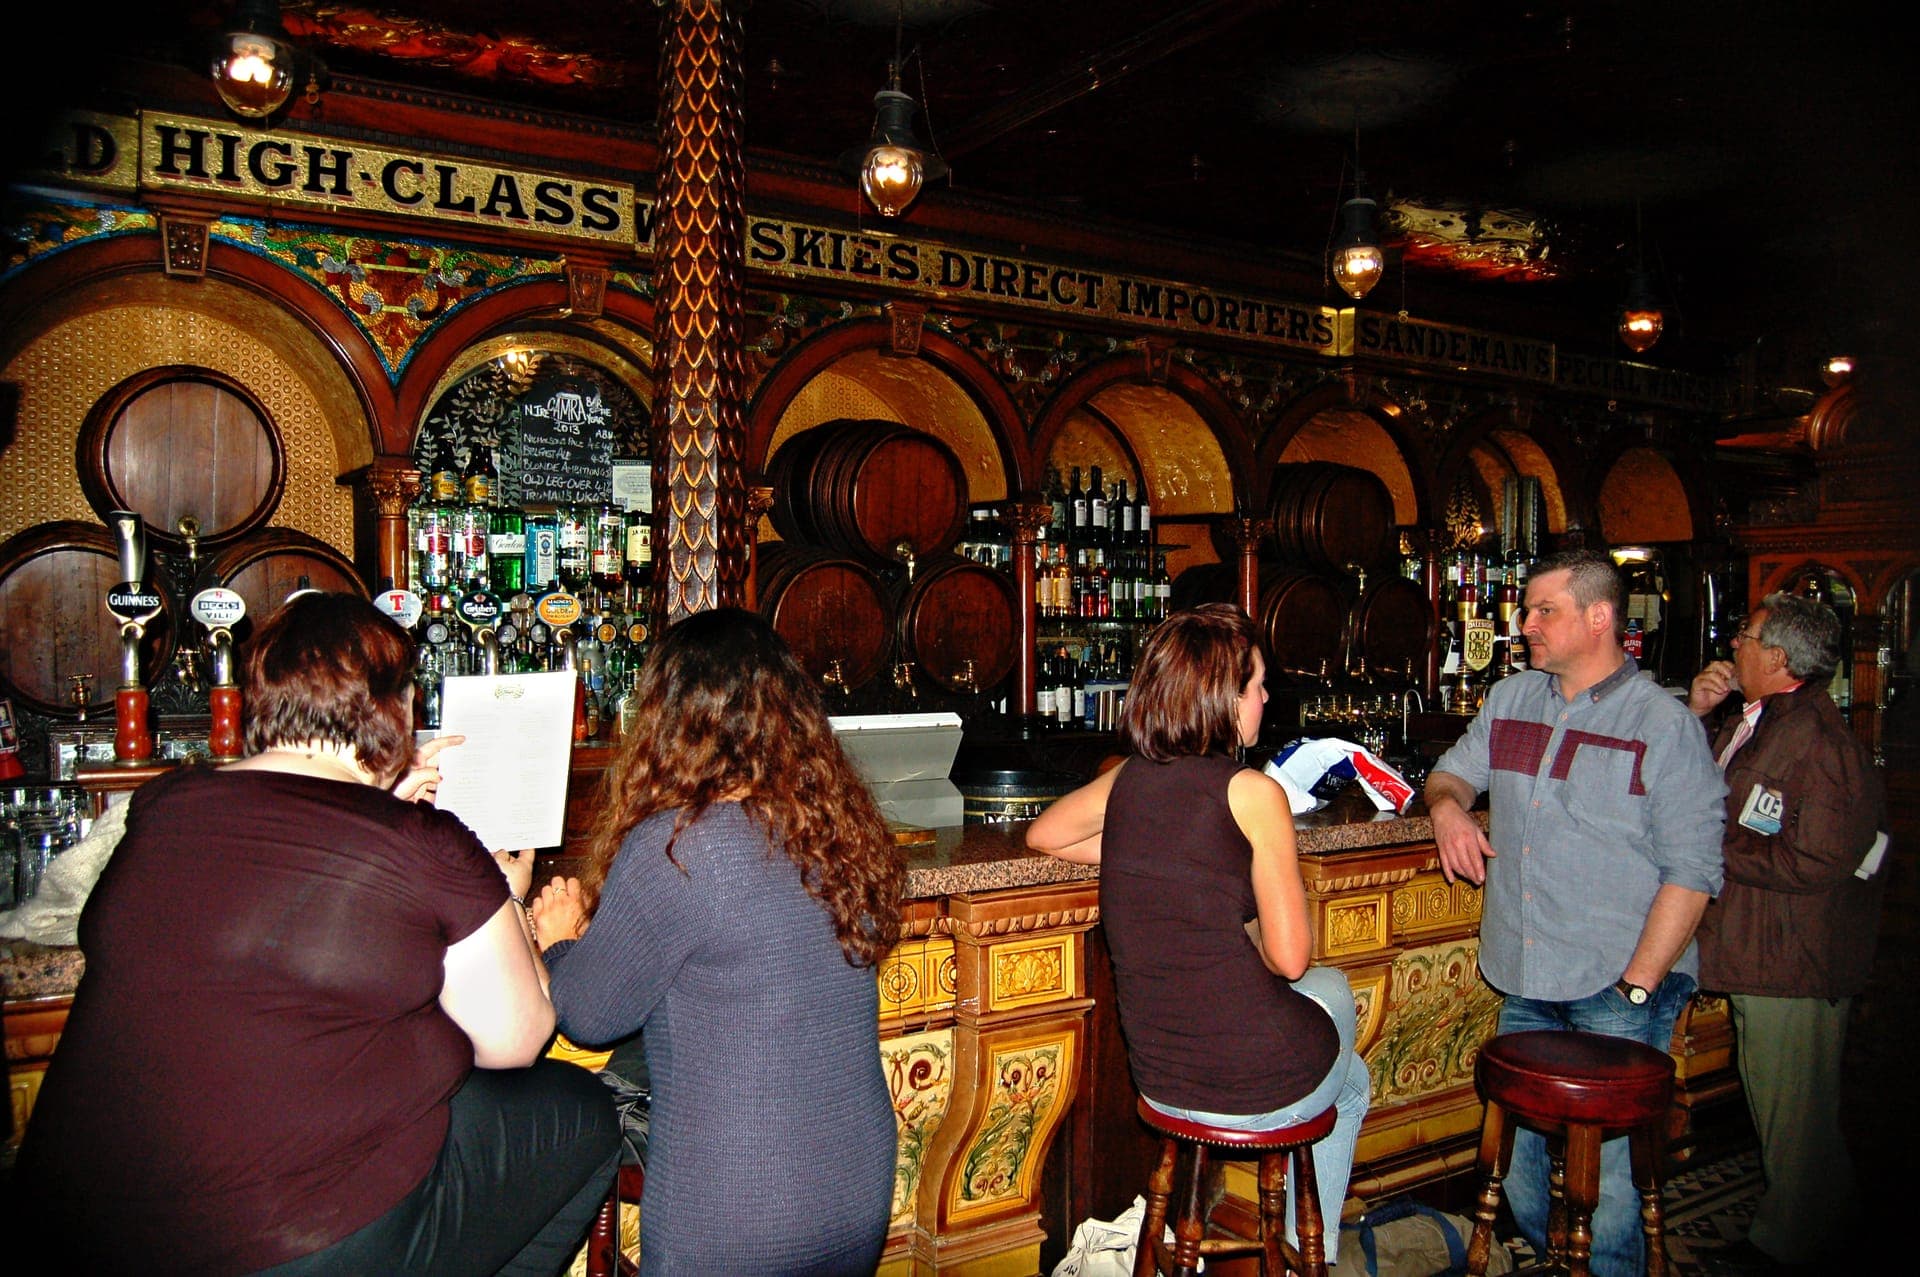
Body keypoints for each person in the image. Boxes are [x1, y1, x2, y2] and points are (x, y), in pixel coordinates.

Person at [13, 592, 620, 1275]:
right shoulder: (425, 841)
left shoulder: (163, 805)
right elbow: (517, 1039)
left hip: (72, 1226)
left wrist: (382, 801)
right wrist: (504, 890)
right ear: (398, 711)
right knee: (582, 1116)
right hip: (281, 1239)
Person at [530, 607, 903, 1276]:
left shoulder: (678, 846)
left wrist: (558, 940)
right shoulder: (839, 831)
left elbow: (590, 1014)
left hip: (738, 1210)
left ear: (668, 721)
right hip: (858, 1189)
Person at [1025, 603, 1371, 1267]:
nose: (1266, 698)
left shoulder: (1127, 777)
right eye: (1257, 685)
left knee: (1347, 1065)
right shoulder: (1254, 793)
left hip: (1160, 1083)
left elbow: (1046, 834)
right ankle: (1311, 1256)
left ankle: (1308, 1250)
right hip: (1252, 1086)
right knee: (1336, 1003)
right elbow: (1289, 959)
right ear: (1224, 698)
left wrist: (1158, 857)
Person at [1426, 549, 1726, 1277]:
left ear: (1599, 617)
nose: (1525, 624)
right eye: (1528, 609)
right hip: (1526, 973)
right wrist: (1447, 810)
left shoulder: (1662, 724)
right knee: (1520, 1172)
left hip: (1615, 980)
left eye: (1543, 610)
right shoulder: (1511, 700)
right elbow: (1451, 773)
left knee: (1612, 1190)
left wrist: (1637, 987)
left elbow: (1693, 874)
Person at [1688, 593, 1887, 1274]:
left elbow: (1817, 859)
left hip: (1795, 956)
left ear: (1777, 657)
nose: (1732, 645)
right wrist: (1699, 716)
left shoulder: (1818, 741)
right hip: (1763, 950)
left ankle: (1791, 1245)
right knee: (1784, 1105)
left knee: (1793, 1113)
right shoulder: (1764, 722)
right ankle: (1823, 1231)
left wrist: (1714, 849)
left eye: (1744, 636)